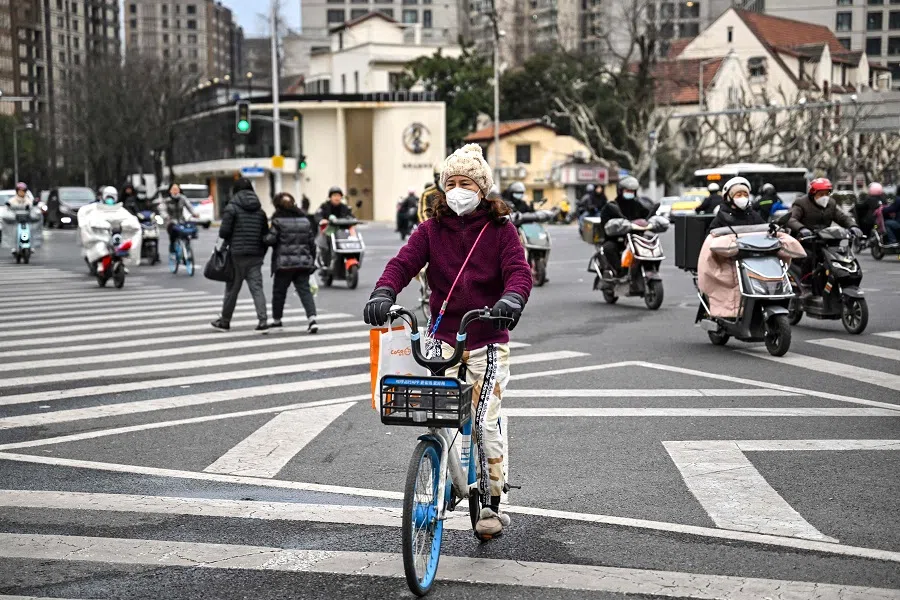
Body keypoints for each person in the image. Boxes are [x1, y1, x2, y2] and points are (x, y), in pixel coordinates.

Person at [363, 143, 533, 540]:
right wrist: (383, 293)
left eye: (467, 183)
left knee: (482, 422)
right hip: (442, 339)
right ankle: (445, 474)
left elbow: (519, 273)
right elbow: (402, 263)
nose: (458, 189)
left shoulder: (500, 230)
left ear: (482, 188)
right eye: (451, 182)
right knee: (436, 415)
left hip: (487, 338)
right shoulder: (429, 230)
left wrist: (511, 300)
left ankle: (490, 502)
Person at [212, 178, 269, 333]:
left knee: (232, 290)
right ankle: (263, 321)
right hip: (256, 255)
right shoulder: (260, 210)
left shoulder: (232, 208)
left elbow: (224, 232)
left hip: (236, 255)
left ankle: (225, 321)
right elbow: (265, 234)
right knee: (257, 289)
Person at [787, 178, 861, 281]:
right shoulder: (801, 203)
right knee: (808, 258)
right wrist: (802, 229)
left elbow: (842, 217)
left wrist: (853, 226)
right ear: (813, 193)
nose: (824, 197)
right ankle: (805, 283)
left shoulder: (831, 203)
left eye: (827, 194)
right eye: (821, 194)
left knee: (839, 255)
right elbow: (791, 219)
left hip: (825, 238)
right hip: (805, 240)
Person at [265, 192, 318, 333]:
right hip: (303, 264)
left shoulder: (277, 221)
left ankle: (277, 320)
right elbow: (312, 244)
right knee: (305, 291)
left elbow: (270, 240)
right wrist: (311, 261)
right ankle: (312, 319)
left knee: (279, 292)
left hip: (284, 265)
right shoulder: (305, 221)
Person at [598, 176, 650, 279]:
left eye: (632, 191)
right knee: (609, 248)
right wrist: (616, 227)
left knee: (651, 245)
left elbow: (647, 216)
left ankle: (649, 269)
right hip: (617, 240)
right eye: (627, 191)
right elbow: (605, 225)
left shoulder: (638, 205)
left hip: (635, 238)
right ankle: (620, 273)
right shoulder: (611, 207)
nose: (630, 193)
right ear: (620, 191)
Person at [315, 186, 354, 268]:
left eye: (339, 196)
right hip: (328, 231)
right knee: (325, 246)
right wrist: (322, 220)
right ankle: (325, 263)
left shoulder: (344, 207)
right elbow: (318, 215)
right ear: (330, 197)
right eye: (334, 195)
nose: (337, 198)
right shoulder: (324, 206)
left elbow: (351, 216)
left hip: (342, 232)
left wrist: (353, 220)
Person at [159, 183, 199, 259]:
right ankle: (172, 251)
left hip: (181, 220)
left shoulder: (182, 198)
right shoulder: (166, 199)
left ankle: (187, 250)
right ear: (170, 191)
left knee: (187, 233)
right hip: (171, 221)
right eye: (173, 189)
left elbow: (189, 207)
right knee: (173, 234)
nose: (175, 191)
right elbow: (162, 209)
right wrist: (165, 216)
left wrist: (194, 214)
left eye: (177, 189)